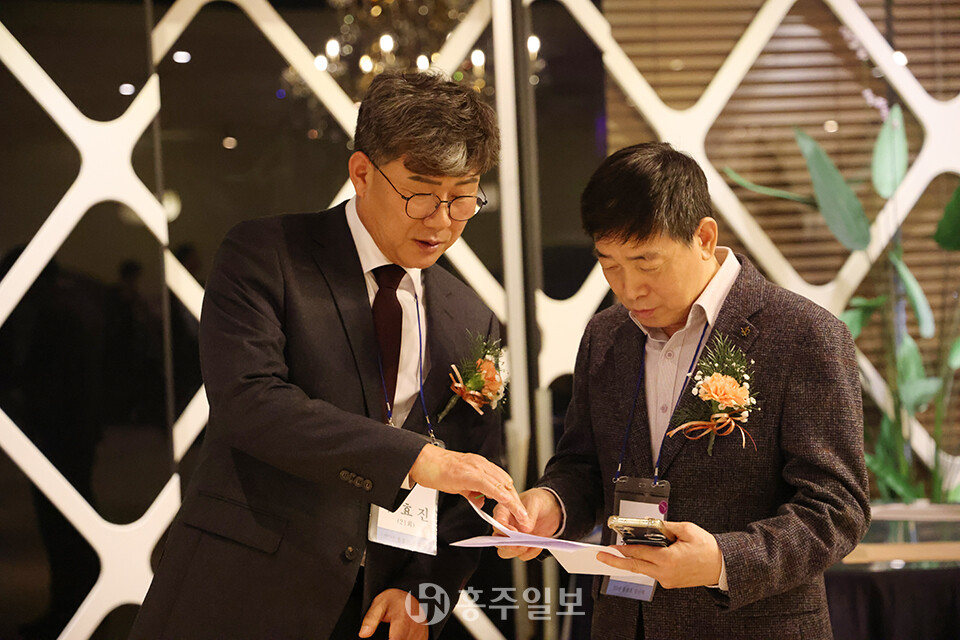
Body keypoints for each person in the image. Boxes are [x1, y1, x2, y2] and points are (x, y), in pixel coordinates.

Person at [131, 70, 529, 640]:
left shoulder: (470, 317)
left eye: (463, 196)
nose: (442, 220)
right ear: (362, 173)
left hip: (374, 611)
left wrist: (424, 591)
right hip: (246, 587)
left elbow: (470, 482)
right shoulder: (265, 254)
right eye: (420, 193)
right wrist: (417, 459)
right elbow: (251, 403)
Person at [495, 142, 870, 639]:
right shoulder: (606, 335)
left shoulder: (804, 335)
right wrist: (551, 505)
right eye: (610, 264)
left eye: (647, 263)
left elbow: (836, 508)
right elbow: (582, 466)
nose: (629, 288)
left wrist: (721, 560)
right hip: (624, 623)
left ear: (704, 237)